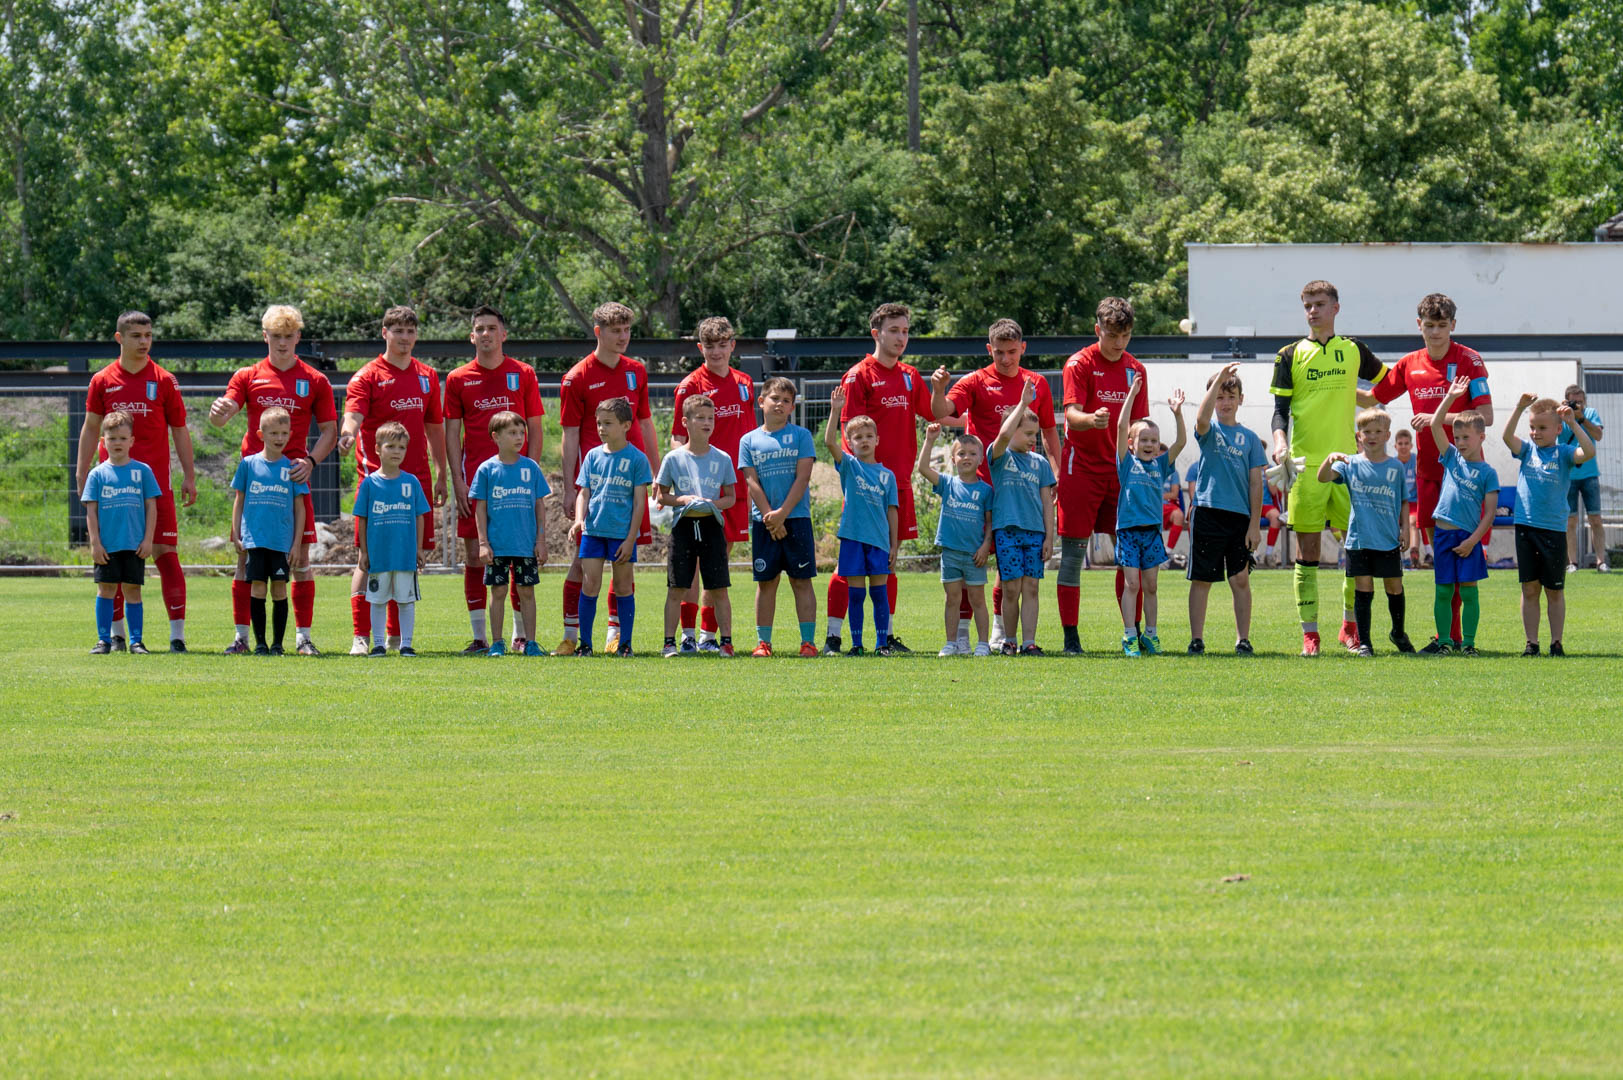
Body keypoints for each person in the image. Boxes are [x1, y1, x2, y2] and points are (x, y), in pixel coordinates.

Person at [208, 304, 337, 655]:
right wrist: (218, 414)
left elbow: (329, 430)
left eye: (288, 336)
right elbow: (224, 414)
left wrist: (310, 461)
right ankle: (241, 638)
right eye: (276, 336)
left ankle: (303, 638)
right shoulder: (247, 375)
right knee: (244, 559)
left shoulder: (315, 380)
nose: (282, 343)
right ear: (265, 336)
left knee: (301, 561)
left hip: (293, 481)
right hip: (256, 485)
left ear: (298, 337)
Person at [824, 302, 950, 654]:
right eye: (894, 330)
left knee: (888, 563)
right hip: (866, 490)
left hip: (899, 484)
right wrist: (859, 483)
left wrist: (940, 390)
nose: (901, 337)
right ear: (876, 333)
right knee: (847, 567)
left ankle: (887, 636)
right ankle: (834, 636)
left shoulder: (910, 375)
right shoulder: (859, 376)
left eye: (905, 331)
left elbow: (934, 412)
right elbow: (850, 435)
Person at [1269, 280, 1387, 657]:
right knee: (1308, 552)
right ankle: (1310, 634)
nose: (1313, 311)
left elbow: (1389, 384)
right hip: (1305, 466)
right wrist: (1280, 441)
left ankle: (1350, 628)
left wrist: (1368, 404)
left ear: (1336, 307)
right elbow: (1280, 412)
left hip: (1347, 467)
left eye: (1319, 304)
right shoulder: (1288, 355)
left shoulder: (1354, 350)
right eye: (1307, 305)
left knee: (1355, 550)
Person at [1366, 293, 1492, 641]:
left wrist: (1437, 418)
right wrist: (1332, 388)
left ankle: (1455, 637)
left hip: (1464, 476)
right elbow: (1371, 398)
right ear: (1418, 325)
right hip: (1429, 474)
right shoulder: (1410, 363)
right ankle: (1447, 636)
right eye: (1429, 325)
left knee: (1462, 559)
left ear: (1453, 325)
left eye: (1442, 325)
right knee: (1442, 560)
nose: (1435, 332)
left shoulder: (1470, 360)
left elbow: (1486, 416)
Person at [930, 318, 1059, 651]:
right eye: (999, 352)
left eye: (1012, 352)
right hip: (978, 490)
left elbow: (1048, 430)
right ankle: (960, 635)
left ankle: (1002, 632)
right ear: (990, 349)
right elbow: (942, 411)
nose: (1005, 359)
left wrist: (1056, 472)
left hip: (1020, 491)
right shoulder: (975, 380)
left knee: (1009, 569)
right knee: (966, 560)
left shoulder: (1037, 383)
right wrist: (939, 390)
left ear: (1023, 348)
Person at [76, 310, 197, 653]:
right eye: (136, 336)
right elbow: (91, 426)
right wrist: (81, 471)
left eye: (148, 335)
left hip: (155, 488)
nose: (144, 342)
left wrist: (189, 475)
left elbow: (179, 429)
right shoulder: (103, 380)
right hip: (114, 490)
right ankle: (116, 636)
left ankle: (177, 636)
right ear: (119, 338)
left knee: (165, 554)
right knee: (111, 557)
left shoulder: (164, 380)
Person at [338, 305, 448, 655]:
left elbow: (435, 427)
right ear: (384, 333)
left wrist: (442, 471)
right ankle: (361, 636)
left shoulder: (427, 375)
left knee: (406, 560)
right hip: (378, 483)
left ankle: (396, 639)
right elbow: (353, 414)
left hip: (415, 482)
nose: (404, 337)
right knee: (367, 560)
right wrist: (346, 433)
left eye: (410, 331)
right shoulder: (367, 375)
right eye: (398, 331)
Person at [558, 302, 660, 654]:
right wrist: (570, 488)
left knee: (622, 564)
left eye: (627, 330)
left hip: (628, 485)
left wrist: (657, 473)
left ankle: (615, 636)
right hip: (596, 487)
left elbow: (645, 423)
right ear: (598, 332)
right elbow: (570, 434)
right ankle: (571, 636)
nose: (623, 337)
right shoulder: (577, 376)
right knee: (581, 565)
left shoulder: (636, 371)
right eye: (616, 331)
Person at [443, 305, 546, 653]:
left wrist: (530, 475)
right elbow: (452, 434)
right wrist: (458, 480)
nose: (485, 334)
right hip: (478, 484)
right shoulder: (458, 378)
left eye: (491, 328)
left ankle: (520, 636)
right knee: (476, 556)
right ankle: (480, 637)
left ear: (503, 334)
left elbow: (535, 427)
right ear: (472, 336)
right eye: (479, 329)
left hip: (517, 487)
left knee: (519, 555)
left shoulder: (523, 373)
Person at [1059, 297, 1149, 656]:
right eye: (1112, 335)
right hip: (1081, 469)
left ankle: (1133, 632)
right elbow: (1071, 415)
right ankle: (1071, 637)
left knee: (1130, 556)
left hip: (1121, 474)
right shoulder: (1079, 363)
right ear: (1098, 330)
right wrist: (1091, 419)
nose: (1119, 343)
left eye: (1125, 336)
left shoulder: (1136, 370)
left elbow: (1139, 425)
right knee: (1072, 554)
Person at [670, 317, 755, 651]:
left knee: (717, 562)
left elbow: (751, 436)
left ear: (732, 345)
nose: (716, 351)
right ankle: (688, 636)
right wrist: (686, 484)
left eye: (722, 345)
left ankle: (708, 636)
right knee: (691, 566)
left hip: (734, 489)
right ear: (700, 348)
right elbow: (677, 440)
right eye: (710, 346)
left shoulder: (745, 382)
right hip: (701, 492)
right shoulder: (690, 385)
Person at [1502, 393, 1595, 656]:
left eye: (1542, 428)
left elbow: (1589, 452)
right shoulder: (1527, 450)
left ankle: (1556, 642)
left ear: (1558, 429)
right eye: (1532, 427)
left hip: (1554, 529)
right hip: (1526, 527)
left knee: (1554, 590)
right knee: (1529, 587)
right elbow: (1507, 437)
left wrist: (1573, 422)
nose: (1535, 433)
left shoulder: (1564, 453)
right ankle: (1531, 643)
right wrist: (1519, 408)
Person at [1317, 410, 1413, 657]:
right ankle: (1365, 644)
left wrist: (1405, 529)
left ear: (1387, 435)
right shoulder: (1349, 463)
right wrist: (1329, 459)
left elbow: (1404, 501)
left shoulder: (1395, 467)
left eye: (1378, 432)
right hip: (1359, 539)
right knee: (1363, 588)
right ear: (1359, 436)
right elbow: (1323, 477)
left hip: (1388, 538)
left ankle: (1398, 633)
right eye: (1367, 432)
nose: (1372, 436)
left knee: (1394, 587)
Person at [737, 377, 820, 658]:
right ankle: (764, 643)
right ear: (761, 402)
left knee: (801, 581)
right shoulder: (748, 440)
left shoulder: (801, 436)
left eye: (786, 401)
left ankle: (808, 643)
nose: (780, 404)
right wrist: (770, 517)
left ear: (792, 407)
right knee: (767, 582)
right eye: (775, 398)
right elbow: (751, 481)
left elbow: (803, 477)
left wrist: (782, 514)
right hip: (765, 522)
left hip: (796, 519)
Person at [1187, 363, 1265, 655]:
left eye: (1231, 396)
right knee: (1202, 579)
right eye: (1219, 397)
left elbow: (1255, 484)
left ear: (1240, 399)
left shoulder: (1251, 439)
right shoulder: (1209, 429)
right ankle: (1197, 639)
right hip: (1207, 512)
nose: (1225, 403)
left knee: (1240, 579)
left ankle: (1243, 639)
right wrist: (1219, 378)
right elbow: (1201, 417)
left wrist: (1254, 525)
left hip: (1239, 518)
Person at [1420, 377, 1498, 655]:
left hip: (1468, 538)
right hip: (1444, 535)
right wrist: (1451, 396)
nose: (1461, 442)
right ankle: (1444, 642)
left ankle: (1469, 644)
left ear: (1481, 437)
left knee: (1468, 592)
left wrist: (1473, 542)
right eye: (1457, 438)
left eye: (1466, 437)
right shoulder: (1451, 457)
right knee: (1443, 591)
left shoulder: (1488, 473)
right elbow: (1434, 424)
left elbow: (1489, 514)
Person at [569, 397, 652, 656]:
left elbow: (639, 503)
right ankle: (585, 644)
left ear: (626, 425)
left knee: (623, 587)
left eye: (608, 423)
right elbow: (584, 492)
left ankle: (625, 644)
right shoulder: (592, 456)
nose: (601, 428)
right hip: (593, 532)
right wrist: (579, 519)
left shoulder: (637, 459)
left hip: (621, 535)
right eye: (598, 423)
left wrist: (630, 539)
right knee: (589, 585)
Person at [656, 395, 738, 658]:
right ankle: (670, 643)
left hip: (712, 526)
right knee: (677, 587)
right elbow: (661, 496)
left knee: (718, 588)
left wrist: (713, 504)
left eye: (710, 418)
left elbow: (731, 497)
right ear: (685, 422)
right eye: (700, 417)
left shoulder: (723, 458)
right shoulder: (673, 458)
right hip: (683, 527)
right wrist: (682, 500)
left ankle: (726, 642)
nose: (706, 423)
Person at [825, 384, 900, 656]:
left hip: (879, 542)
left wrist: (893, 544)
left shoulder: (887, 476)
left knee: (879, 593)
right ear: (850, 442)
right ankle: (856, 645)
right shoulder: (849, 466)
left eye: (869, 436)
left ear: (877, 440)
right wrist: (836, 411)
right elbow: (829, 442)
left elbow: (892, 511)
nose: (864, 440)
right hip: (853, 539)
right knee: (855, 595)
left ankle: (882, 644)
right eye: (858, 437)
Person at [1115, 378, 1185, 657]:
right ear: (1132, 444)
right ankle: (1129, 635)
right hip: (1129, 533)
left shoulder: (1161, 465)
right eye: (1143, 440)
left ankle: (1151, 634)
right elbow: (1121, 427)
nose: (1149, 444)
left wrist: (1177, 413)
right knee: (1132, 584)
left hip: (1152, 534)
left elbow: (1181, 442)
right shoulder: (1126, 463)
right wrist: (1132, 394)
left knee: (1151, 586)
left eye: (1153, 441)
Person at [471, 411, 551, 658]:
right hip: (497, 545)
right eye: (512, 433)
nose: (519, 438)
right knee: (498, 592)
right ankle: (497, 643)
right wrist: (483, 543)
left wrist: (540, 540)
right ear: (496, 437)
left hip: (525, 545)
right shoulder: (487, 469)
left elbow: (539, 506)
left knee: (527, 592)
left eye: (521, 433)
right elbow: (480, 508)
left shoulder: (531, 467)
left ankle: (531, 643)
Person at [230, 407, 308, 656]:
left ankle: (277, 645)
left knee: (279, 589)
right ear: (261, 434)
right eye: (273, 433)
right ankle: (260, 644)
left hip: (281, 541)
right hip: (255, 540)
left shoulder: (292, 468)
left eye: (284, 433)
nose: (279, 438)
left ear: (290, 434)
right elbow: (239, 500)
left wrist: (296, 544)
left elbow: (300, 509)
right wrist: (235, 533)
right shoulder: (248, 465)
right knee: (258, 588)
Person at [987, 380, 1057, 655]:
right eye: (1027, 433)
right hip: (1007, 532)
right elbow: (1003, 435)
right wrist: (1023, 404)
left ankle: (1029, 642)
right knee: (1011, 588)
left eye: (1035, 435)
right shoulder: (1000, 456)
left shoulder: (1040, 463)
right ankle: (1009, 640)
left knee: (1031, 588)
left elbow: (1047, 503)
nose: (1032, 440)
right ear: (1013, 428)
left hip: (1035, 534)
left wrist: (1049, 537)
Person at [81, 412, 160, 654]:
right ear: (103, 441)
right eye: (112, 438)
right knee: (106, 590)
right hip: (107, 545)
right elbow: (91, 512)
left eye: (123, 438)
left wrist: (148, 539)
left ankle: (136, 641)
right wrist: (95, 543)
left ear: (131, 441)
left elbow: (151, 507)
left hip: (134, 544)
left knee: (132, 590)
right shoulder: (97, 474)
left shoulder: (142, 471)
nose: (117, 443)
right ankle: (103, 640)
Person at [354, 421, 432, 657]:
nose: (397, 452)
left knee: (406, 600)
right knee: (377, 600)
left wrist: (419, 548)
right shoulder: (369, 484)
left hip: (404, 555)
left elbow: (420, 516)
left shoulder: (411, 482)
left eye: (401, 447)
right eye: (391, 446)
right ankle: (378, 644)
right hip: (379, 556)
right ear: (377, 449)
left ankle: (406, 644)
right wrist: (364, 551)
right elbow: (362, 519)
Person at [917, 424, 993, 656]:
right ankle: (951, 643)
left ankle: (983, 644)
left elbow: (990, 523)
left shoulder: (986, 491)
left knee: (977, 599)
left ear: (981, 459)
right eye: (961, 453)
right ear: (953, 459)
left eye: (972, 453)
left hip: (974, 555)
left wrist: (985, 546)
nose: (966, 457)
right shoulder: (947, 484)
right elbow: (922, 468)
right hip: (950, 553)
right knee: (952, 599)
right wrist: (930, 440)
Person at [1559, 383, 1607, 573]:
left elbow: (1598, 435)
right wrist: (1561, 413)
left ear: (1585, 401)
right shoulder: (1561, 415)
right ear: (1566, 401)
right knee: (1570, 521)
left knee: (1595, 519)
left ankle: (1601, 562)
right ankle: (1572, 562)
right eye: (1573, 402)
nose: (1577, 405)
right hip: (1568, 475)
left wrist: (1581, 418)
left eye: (1580, 402)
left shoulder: (1591, 414)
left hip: (1590, 474)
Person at [1392, 427, 1422, 565]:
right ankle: (1393, 555)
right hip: (1397, 504)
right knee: (1392, 524)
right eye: (1400, 443)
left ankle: (1414, 552)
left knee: (1412, 522)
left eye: (1406, 443)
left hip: (1413, 503)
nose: (1403, 446)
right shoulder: (1392, 463)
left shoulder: (1417, 461)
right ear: (1395, 446)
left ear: (1411, 445)